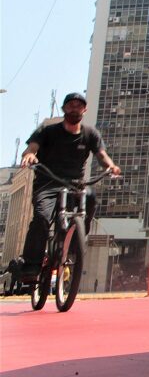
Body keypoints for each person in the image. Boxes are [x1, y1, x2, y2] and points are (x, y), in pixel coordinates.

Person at [16, 93, 121, 280]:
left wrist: (111, 166)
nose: (75, 108)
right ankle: (32, 264)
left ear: (84, 110)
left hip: (75, 185)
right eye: (71, 105)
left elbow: (102, 155)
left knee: (90, 198)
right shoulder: (47, 131)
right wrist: (30, 155)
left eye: (79, 106)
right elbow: (32, 147)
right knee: (41, 217)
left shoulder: (90, 134)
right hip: (47, 183)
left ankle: (75, 243)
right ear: (65, 108)